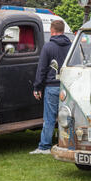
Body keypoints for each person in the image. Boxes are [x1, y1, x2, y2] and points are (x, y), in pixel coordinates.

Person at [30, 20, 72, 154]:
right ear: (63, 30)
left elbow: (41, 69)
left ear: (52, 30)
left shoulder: (48, 47)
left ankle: (45, 146)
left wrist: (37, 87)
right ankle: (67, 143)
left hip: (52, 86)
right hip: (67, 87)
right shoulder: (71, 46)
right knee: (67, 116)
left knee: (49, 118)